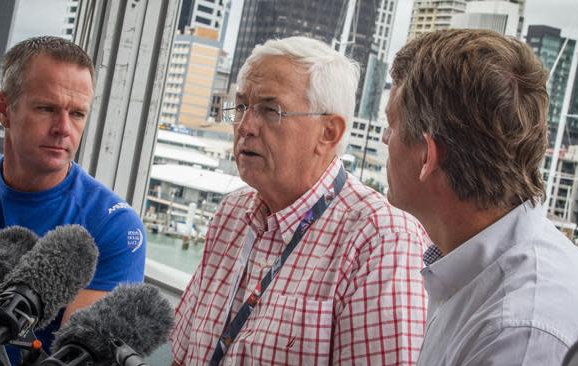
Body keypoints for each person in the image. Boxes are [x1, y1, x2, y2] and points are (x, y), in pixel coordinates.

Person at [169, 36, 430, 365]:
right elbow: (182, 354)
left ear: (329, 133)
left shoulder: (381, 240)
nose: (245, 126)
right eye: (240, 106)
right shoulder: (231, 213)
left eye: (270, 110)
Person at [383, 28, 578, 365]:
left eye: (391, 126)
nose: (384, 140)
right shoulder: (474, 266)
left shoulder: (517, 333)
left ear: (426, 155)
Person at [0, 36, 146, 356]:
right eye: (47, 108)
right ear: (4, 108)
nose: (63, 128)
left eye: (78, 114)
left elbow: (76, 354)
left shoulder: (114, 227)